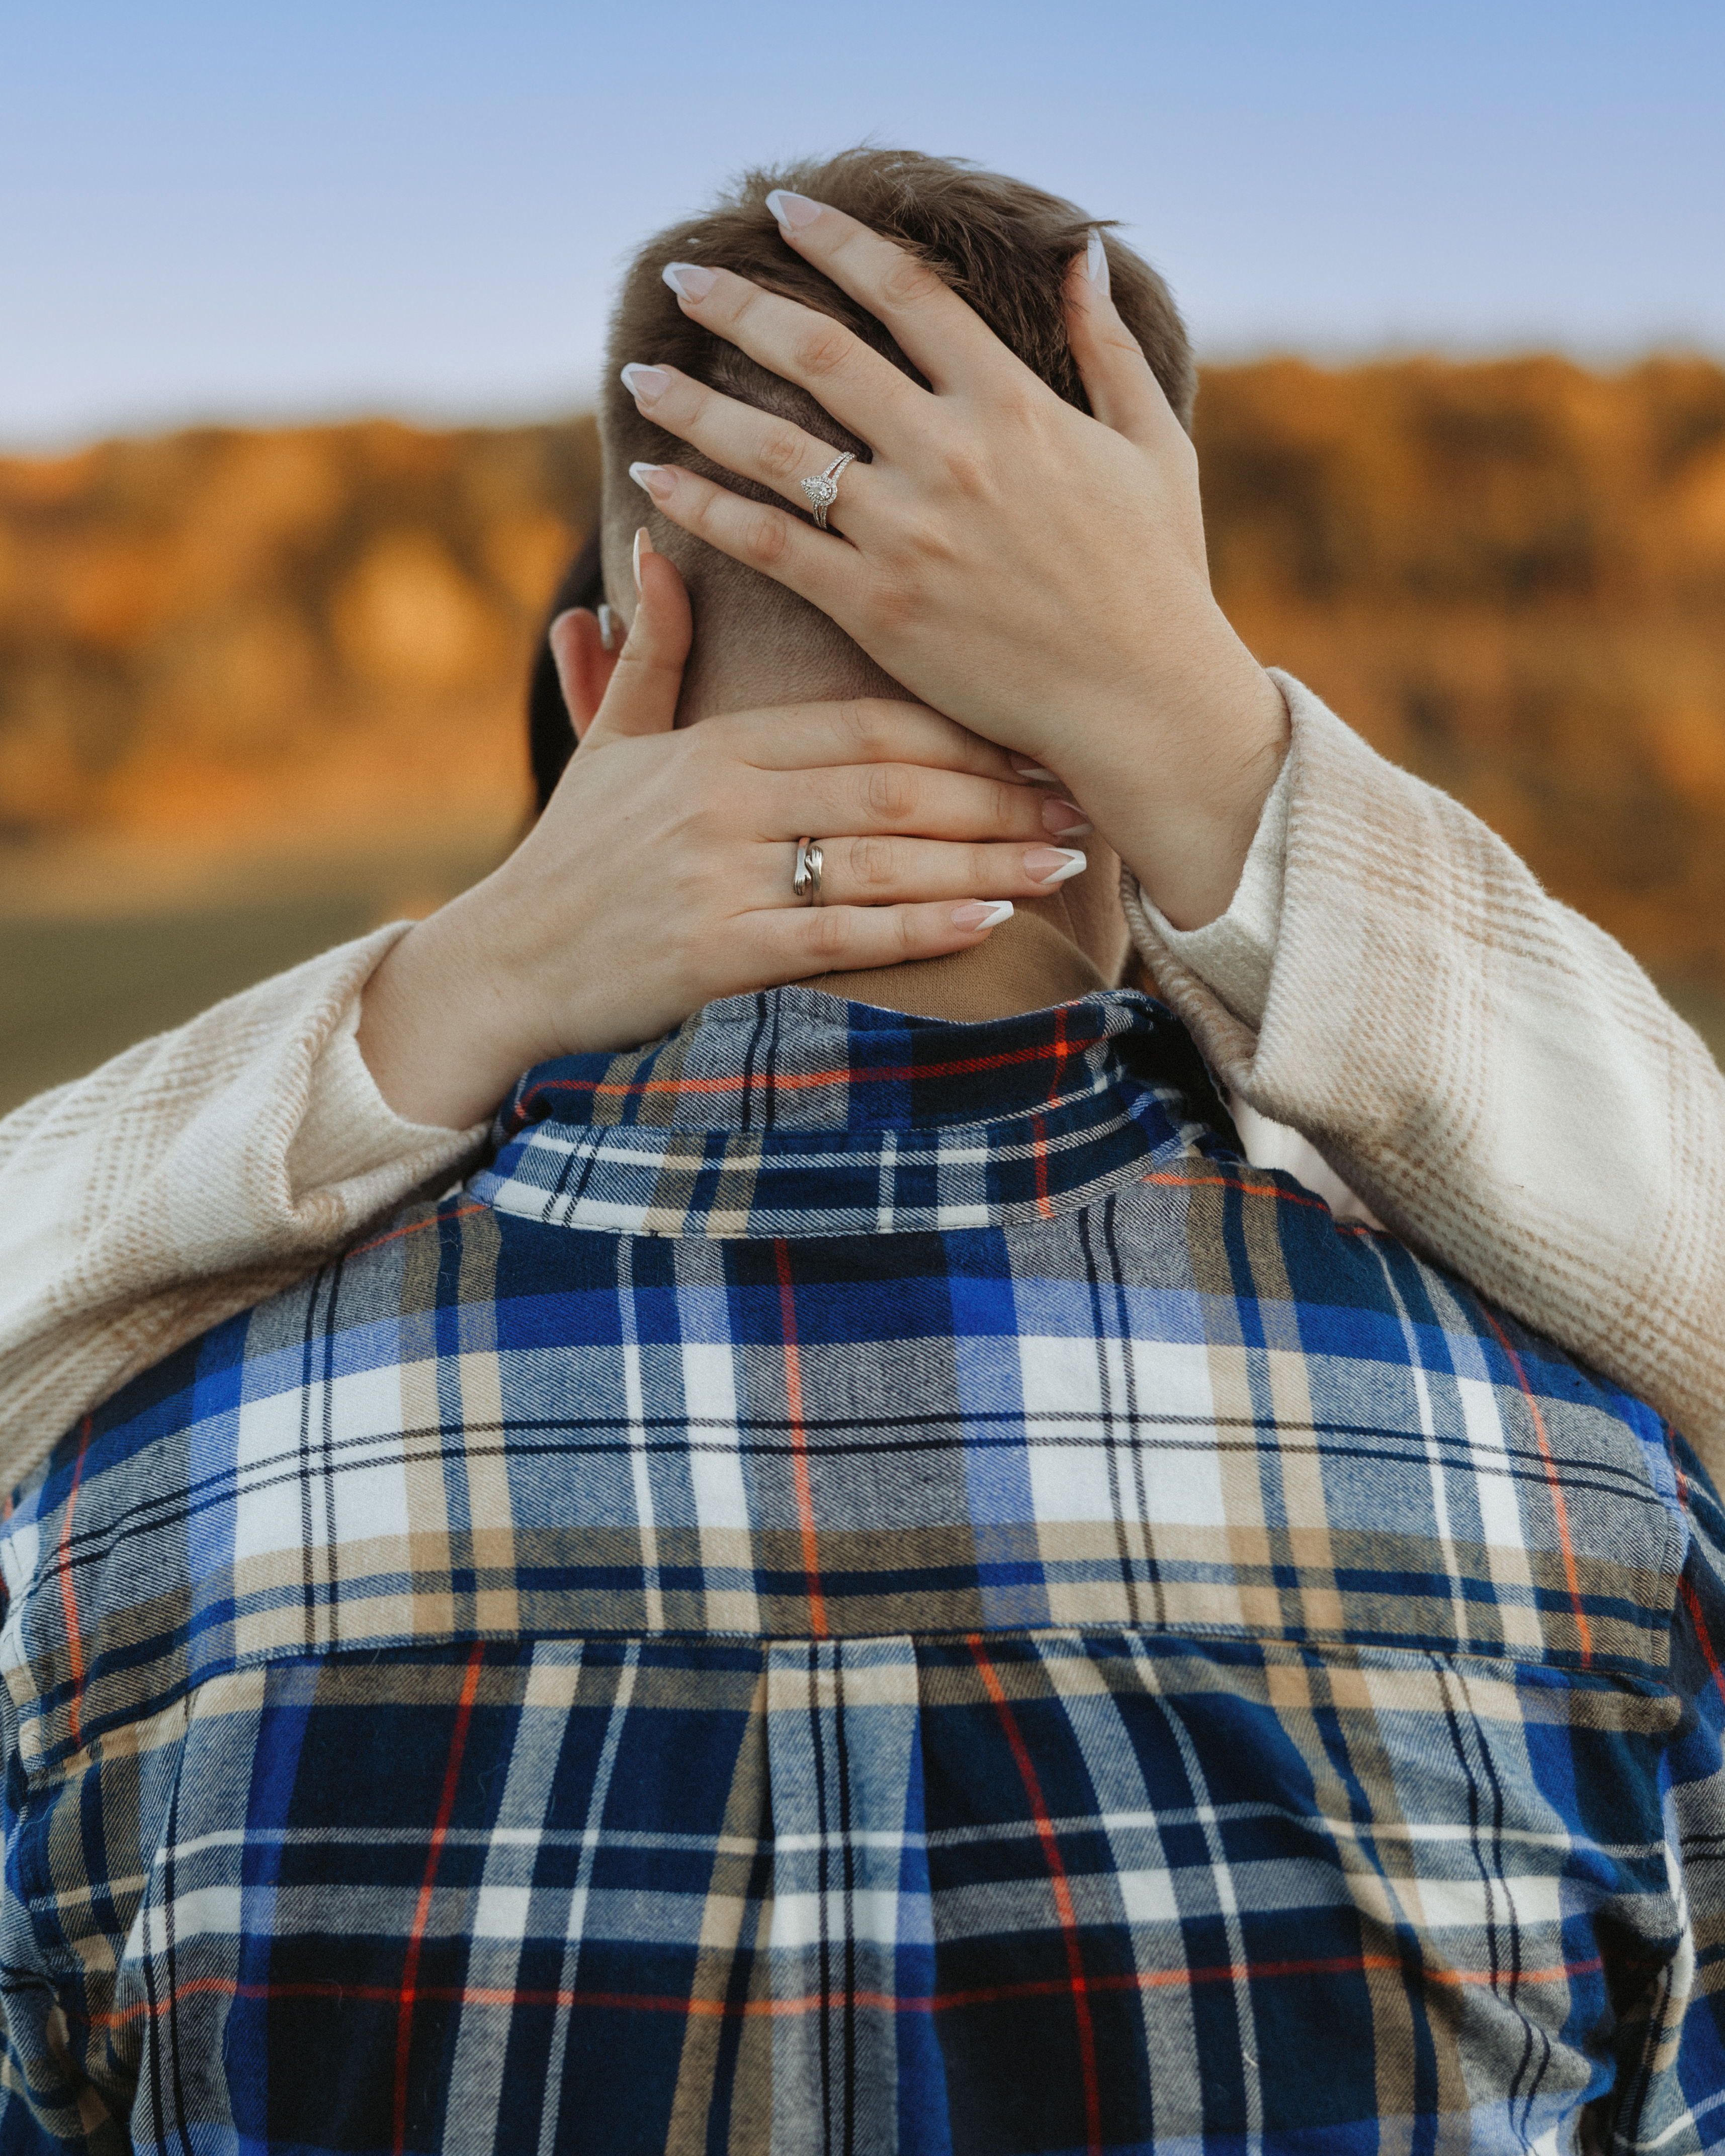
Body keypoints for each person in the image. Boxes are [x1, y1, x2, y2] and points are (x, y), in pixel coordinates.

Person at [1, 149, 1722, 2152]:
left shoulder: (123, 1528)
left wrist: (447, 989)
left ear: (595, 693)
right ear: (1144, 709)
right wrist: (1228, 767)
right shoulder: (1586, 1495)